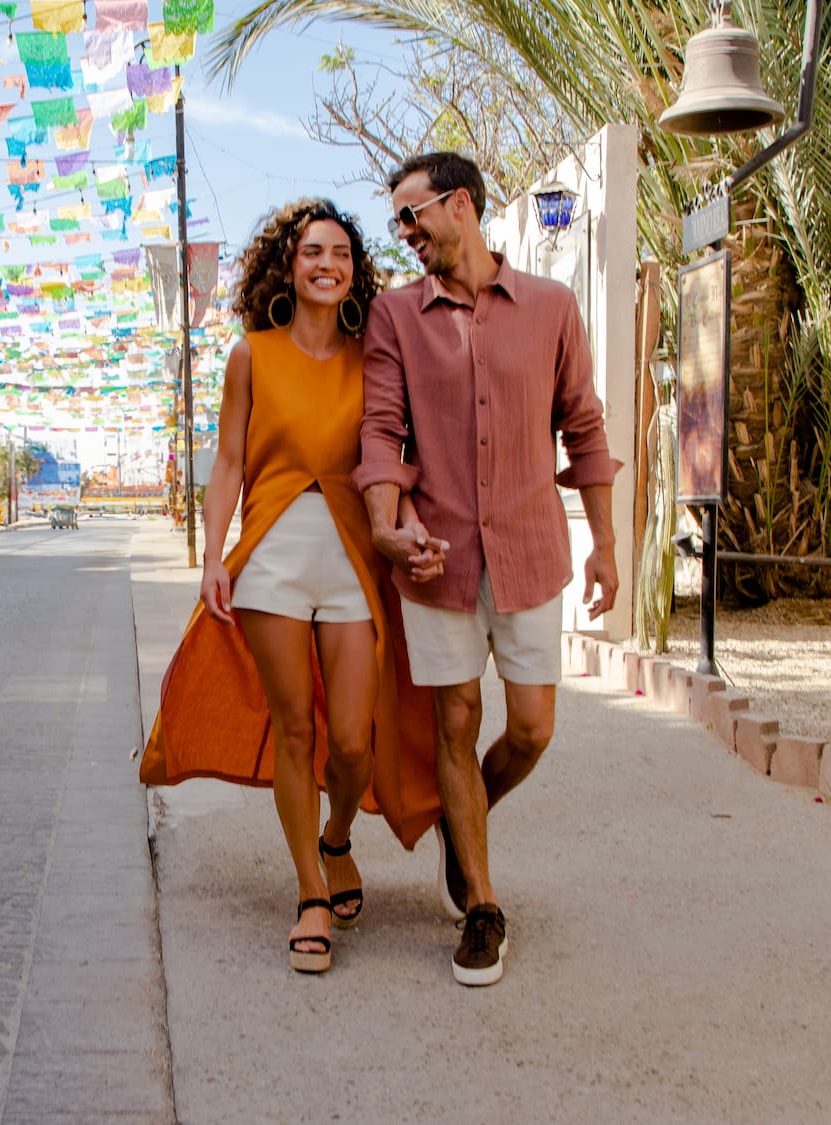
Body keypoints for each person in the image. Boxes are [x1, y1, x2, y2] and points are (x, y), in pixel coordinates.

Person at [140, 199, 442, 975]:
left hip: (352, 556)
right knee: (295, 733)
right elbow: (230, 466)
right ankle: (310, 888)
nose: (327, 264)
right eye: (314, 251)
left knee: (350, 740)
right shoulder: (252, 354)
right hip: (271, 555)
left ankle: (337, 833)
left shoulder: (373, 354)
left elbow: (393, 452)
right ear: (289, 262)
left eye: (341, 253)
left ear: (354, 270)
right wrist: (214, 554)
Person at [356, 151, 622, 987]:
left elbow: (584, 427)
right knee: (456, 722)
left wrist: (607, 544)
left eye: (411, 215)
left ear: (460, 205)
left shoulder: (552, 306)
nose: (403, 234)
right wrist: (388, 529)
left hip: (531, 550)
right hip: (435, 558)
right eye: (397, 220)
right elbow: (380, 434)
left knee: (534, 728)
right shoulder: (396, 316)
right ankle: (480, 904)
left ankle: (457, 822)